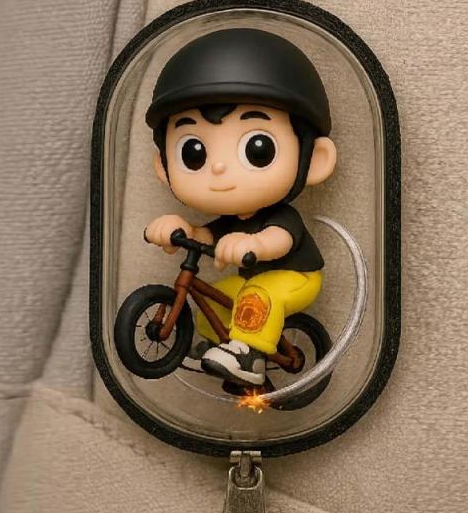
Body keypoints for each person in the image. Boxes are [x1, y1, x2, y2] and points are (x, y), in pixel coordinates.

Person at [144, 28, 337, 386]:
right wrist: (181, 230)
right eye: (193, 153)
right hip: (253, 278)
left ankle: (248, 357)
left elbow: (280, 239)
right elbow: (205, 235)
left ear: (315, 160)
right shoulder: (230, 220)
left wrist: (256, 244)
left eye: (258, 149)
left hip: (297, 277)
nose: (219, 168)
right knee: (220, 299)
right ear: (163, 167)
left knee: (256, 296)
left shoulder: (280, 216)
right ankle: (218, 342)